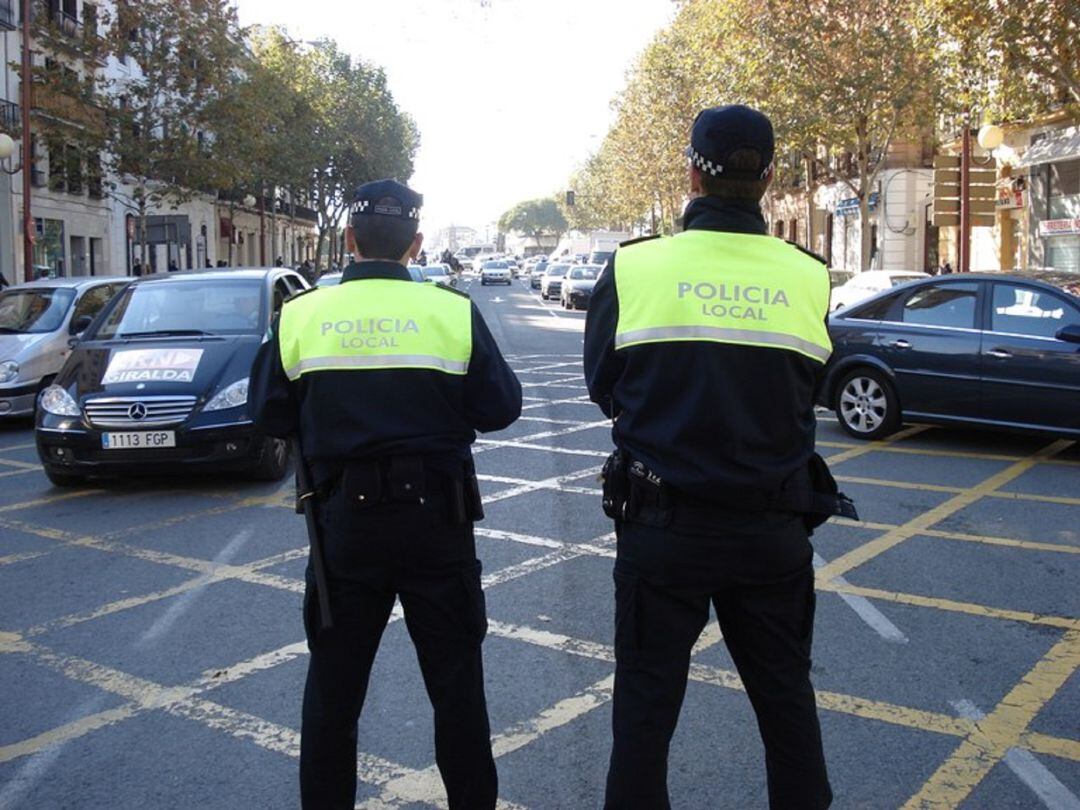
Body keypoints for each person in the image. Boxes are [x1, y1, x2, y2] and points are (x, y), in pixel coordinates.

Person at [584, 105, 853, 810]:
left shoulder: (635, 266)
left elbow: (601, 386)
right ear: (768, 178)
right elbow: (818, 384)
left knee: (643, 716)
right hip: (771, 533)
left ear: (689, 172)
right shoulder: (807, 275)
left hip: (662, 530)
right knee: (787, 707)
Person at [250, 179, 521, 810]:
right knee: (457, 693)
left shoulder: (299, 315)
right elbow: (502, 408)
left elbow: (267, 414)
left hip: (344, 528)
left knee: (333, 698)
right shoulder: (450, 311)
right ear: (416, 243)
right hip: (438, 523)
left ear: (348, 241)